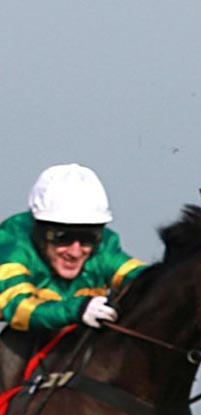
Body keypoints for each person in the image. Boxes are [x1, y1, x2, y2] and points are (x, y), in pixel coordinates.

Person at [0, 165, 150, 390]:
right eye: (63, 237)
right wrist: (77, 309)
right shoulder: (13, 245)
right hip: (22, 336)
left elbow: (145, 279)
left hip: (73, 336)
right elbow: (18, 308)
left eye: (87, 238)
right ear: (40, 232)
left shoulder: (104, 247)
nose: (75, 251)